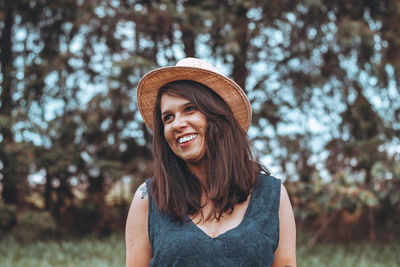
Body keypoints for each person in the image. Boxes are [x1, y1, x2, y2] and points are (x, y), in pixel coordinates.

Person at [125, 57, 296, 266]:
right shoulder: (149, 198)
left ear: (218, 117)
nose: (177, 124)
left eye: (189, 109)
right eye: (168, 117)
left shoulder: (272, 195)